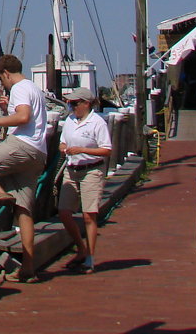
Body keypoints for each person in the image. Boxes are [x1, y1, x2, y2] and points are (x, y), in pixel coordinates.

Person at [0, 54, 47, 282]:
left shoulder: (20, 87)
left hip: (24, 145)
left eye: (1, 80)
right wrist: (6, 112)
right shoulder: (33, 88)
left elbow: (23, 117)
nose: (3, 84)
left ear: (6, 74)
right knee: (24, 209)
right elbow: (27, 117)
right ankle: (28, 268)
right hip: (38, 151)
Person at [57, 86, 113, 273]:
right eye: (70, 104)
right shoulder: (70, 120)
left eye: (75, 104)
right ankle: (80, 247)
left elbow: (106, 150)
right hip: (72, 169)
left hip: (92, 170)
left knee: (89, 215)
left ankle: (89, 258)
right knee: (64, 212)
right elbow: (63, 142)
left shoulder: (97, 123)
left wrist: (83, 150)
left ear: (86, 104)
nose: (72, 107)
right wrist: (64, 147)